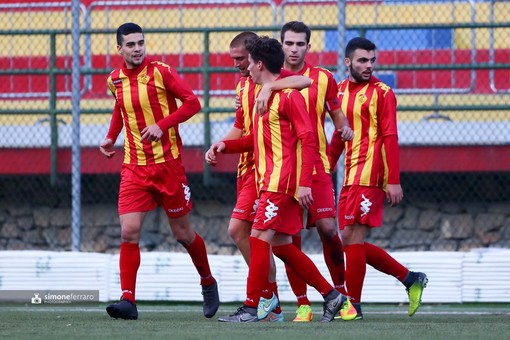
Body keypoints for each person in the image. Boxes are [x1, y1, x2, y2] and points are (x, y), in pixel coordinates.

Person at [209, 36, 357, 323]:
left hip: (282, 182)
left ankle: (253, 306)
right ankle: (333, 297)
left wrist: (302, 183)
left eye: (249, 63)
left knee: (258, 237)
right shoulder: (264, 97)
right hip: (272, 180)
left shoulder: (287, 96)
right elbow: (256, 140)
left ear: (259, 64)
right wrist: (225, 146)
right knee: (282, 246)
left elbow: (310, 140)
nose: (246, 68)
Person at [99, 22, 220, 320]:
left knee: (183, 234)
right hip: (134, 168)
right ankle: (128, 300)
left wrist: (162, 125)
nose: (137, 48)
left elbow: (193, 103)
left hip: (168, 166)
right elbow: (120, 108)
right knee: (129, 231)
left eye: (141, 43)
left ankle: (207, 281)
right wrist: (111, 137)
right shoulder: (114, 80)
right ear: (119, 49)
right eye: (131, 44)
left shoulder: (161, 71)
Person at [205, 31, 311, 322]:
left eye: (241, 59)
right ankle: (278, 301)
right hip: (250, 168)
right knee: (266, 239)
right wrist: (220, 145)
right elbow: (241, 128)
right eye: (234, 60)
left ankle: (271, 299)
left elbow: (305, 80)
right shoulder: (243, 86)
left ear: (255, 59)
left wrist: (270, 88)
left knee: (251, 233)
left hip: (270, 170)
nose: (238, 64)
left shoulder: (271, 82)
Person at [329, 37, 428, 320]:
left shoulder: (383, 93)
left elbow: (390, 137)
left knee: (354, 236)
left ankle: (353, 306)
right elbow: (340, 132)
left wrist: (392, 180)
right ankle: (410, 278)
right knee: (348, 238)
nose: (369, 66)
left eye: (372, 60)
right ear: (347, 62)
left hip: (372, 174)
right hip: (349, 174)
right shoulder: (338, 91)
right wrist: (326, 165)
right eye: (362, 60)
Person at [279, 21, 354, 322]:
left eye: (300, 44)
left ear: (309, 47)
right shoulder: (270, 79)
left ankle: (342, 295)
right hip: (282, 170)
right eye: (289, 43)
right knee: (288, 237)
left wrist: (344, 127)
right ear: (281, 44)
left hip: (317, 167)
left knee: (327, 229)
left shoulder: (323, 78)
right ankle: (303, 304)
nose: (295, 49)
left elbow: (336, 113)